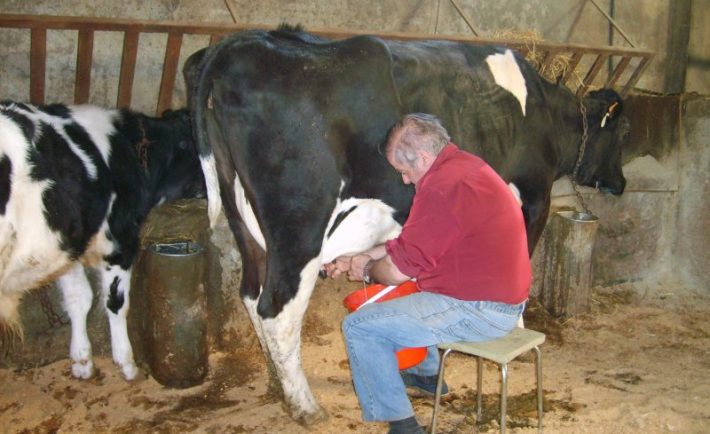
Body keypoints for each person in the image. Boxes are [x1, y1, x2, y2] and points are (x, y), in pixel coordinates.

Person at [325, 113, 532, 434]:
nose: (405, 180)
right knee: (420, 286)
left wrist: (365, 269)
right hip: (498, 299)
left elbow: (396, 272)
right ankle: (426, 374)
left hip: (482, 310)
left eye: (404, 171)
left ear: (422, 157)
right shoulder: (464, 166)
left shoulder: (441, 188)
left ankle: (404, 426)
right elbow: (413, 243)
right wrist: (363, 256)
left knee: (360, 327)